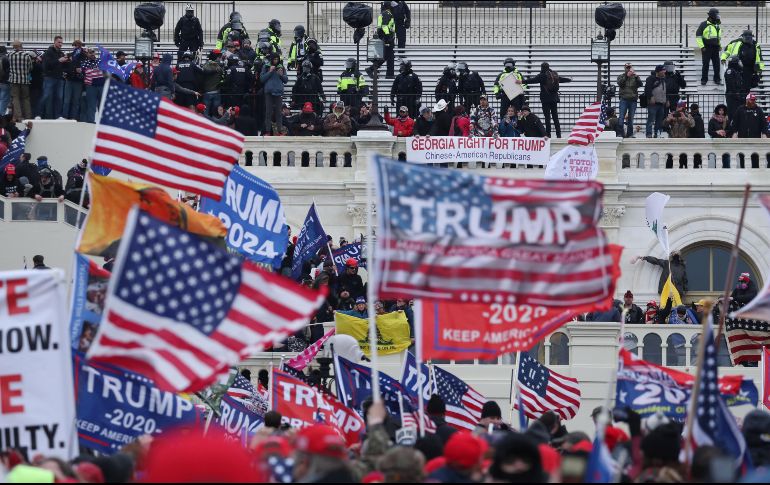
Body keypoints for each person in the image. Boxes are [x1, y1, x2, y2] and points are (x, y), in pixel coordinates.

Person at [525, 62, 571, 138]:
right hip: (554, 99)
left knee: (547, 117)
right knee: (555, 117)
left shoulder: (541, 76)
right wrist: (569, 79)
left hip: (545, 99)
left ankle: (548, 134)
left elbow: (532, 80)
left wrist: (522, 82)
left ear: (541, 67)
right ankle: (558, 134)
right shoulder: (553, 75)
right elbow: (561, 79)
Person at [8, 40, 36, 122]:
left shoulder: (10, 55)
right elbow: (31, 67)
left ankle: (19, 117)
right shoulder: (26, 56)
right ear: (21, 46)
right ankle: (28, 116)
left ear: (13, 47)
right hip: (24, 80)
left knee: (15, 98)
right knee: (26, 98)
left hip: (13, 80)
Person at [40, 36, 66, 120]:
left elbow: (62, 66)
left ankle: (58, 116)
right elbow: (46, 65)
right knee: (46, 96)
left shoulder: (61, 53)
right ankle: (38, 114)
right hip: (49, 77)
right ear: (54, 42)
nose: (60, 44)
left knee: (59, 98)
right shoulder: (48, 52)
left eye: (61, 42)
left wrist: (67, 61)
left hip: (59, 78)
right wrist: (59, 60)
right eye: (59, 42)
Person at [696, 7, 722, 86]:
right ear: (712, 15)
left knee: (717, 64)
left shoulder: (717, 25)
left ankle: (717, 79)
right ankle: (704, 79)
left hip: (715, 47)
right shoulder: (703, 24)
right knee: (706, 64)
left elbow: (718, 37)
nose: (718, 16)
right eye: (716, 14)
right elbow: (698, 36)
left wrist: (719, 45)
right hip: (706, 47)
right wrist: (702, 47)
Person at [616, 62, 643, 138]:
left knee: (631, 118)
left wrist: (637, 77)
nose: (628, 69)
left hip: (633, 100)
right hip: (624, 99)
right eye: (627, 67)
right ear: (624, 68)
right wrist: (626, 76)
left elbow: (641, 84)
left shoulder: (635, 77)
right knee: (621, 117)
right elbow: (620, 83)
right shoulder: (621, 76)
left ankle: (630, 134)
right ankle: (620, 133)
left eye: (629, 67)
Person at [61, 40, 84, 120]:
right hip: (70, 79)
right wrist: (67, 72)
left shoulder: (83, 55)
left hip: (78, 80)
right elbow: (64, 66)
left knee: (76, 101)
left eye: (77, 45)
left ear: (80, 46)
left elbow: (86, 67)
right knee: (67, 100)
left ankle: (73, 118)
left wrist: (81, 70)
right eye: (74, 45)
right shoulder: (69, 55)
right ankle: (64, 117)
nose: (76, 47)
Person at [644, 65, 667, 138]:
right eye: (663, 70)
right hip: (653, 104)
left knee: (659, 120)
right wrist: (651, 97)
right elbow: (647, 89)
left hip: (661, 103)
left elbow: (665, 91)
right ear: (658, 71)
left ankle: (657, 133)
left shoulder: (664, 79)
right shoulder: (650, 78)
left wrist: (667, 100)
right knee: (651, 119)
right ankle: (649, 133)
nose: (664, 71)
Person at [377, 1, 397, 79]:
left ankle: (389, 74)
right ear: (389, 7)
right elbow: (384, 26)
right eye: (392, 6)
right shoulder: (387, 14)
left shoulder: (385, 13)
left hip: (386, 37)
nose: (394, 8)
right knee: (388, 56)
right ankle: (372, 68)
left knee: (389, 56)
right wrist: (388, 36)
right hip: (387, 38)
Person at [725, 56, 748, 120]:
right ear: (734, 63)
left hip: (737, 95)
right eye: (738, 62)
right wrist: (736, 94)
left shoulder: (738, 72)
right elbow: (731, 84)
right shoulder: (730, 71)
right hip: (732, 95)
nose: (740, 64)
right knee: (733, 113)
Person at [201, 50, 223, 117]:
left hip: (207, 92)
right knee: (215, 114)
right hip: (216, 92)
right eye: (219, 56)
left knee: (205, 113)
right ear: (217, 57)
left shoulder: (205, 65)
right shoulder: (219, 66)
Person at [0, 46, 9, 116]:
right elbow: (7, 71)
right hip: (4, 81)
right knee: (4, 99)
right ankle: (1, 114)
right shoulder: (5, 58)